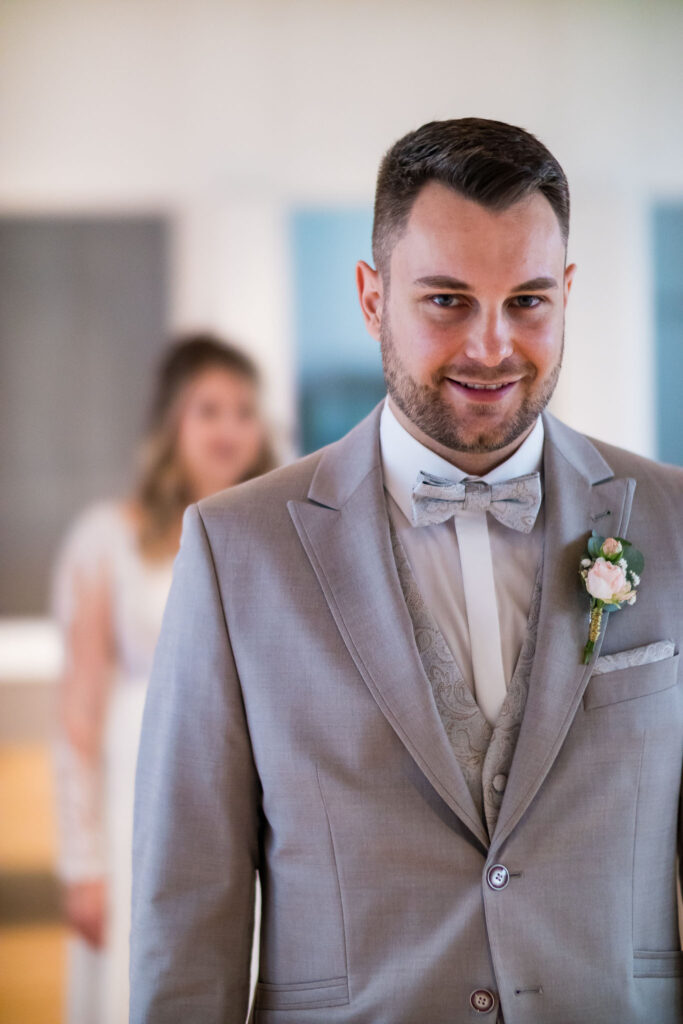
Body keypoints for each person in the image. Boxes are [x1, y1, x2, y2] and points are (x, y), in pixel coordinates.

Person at [130, 120, 683, 1024]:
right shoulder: (237, 550)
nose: (491, 347)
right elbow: (188, 908)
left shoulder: (673, 522)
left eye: (528, 301)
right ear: (370, 297)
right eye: (447, 302)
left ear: (568, 294)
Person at [52, 334, 274, 1024]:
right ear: (172, 422)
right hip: (139, 789)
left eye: (243, 410)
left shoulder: (280, 534)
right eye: (208, 410)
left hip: (259, 781)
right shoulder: (109, 539)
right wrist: (82, 860)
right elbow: (79, 712)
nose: (229, 428)